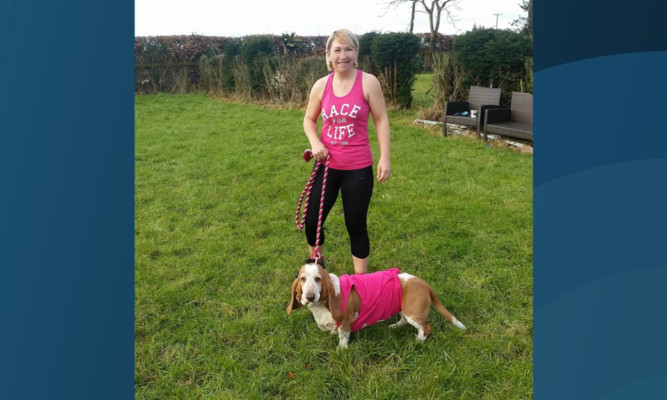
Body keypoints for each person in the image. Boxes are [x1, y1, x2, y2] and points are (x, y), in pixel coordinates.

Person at [302, 29, 391, 275]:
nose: (343, 55)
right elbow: (309, 119)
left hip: (358, 168)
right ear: (328, 55)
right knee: (312, 222)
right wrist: (315, 142)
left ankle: (360, 282)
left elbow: (381, 119)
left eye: (348, 49)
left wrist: (385, 157)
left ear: (356, 53)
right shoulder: (321, 86)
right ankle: (316, 267)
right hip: (326, 165)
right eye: (338, 50)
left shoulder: (368, 82)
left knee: (356, 225)